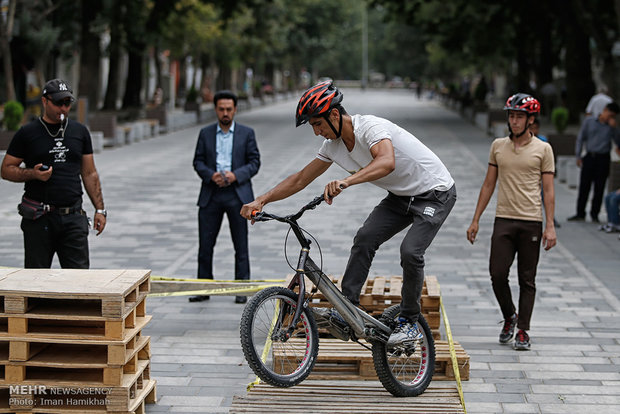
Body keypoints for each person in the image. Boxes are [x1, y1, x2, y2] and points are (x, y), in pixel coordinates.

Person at [240, 81, 456, 348]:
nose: (317, 132)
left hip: (435, 192)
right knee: (364, 238)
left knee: (410, 251)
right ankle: (347, 309)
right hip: (401, 197)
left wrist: (346, 181)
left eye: (317, 124)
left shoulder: (370, 127)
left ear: (333, 115)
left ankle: (410, 322)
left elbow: (387, 161)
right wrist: (261, 199)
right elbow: (300, 179)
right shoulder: (333, 146)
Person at [466, 93, 557, 350]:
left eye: (519, 117)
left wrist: (550, 226)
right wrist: (475, 220)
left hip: (531, 221)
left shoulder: (543, 149)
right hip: (503, 219)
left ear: (530, 120)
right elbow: (488, 184)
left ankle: (523, 330)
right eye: (511, 116)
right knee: (497, 274)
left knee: (527, 279)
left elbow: (548, 191)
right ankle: (509, 317)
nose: (514, 121)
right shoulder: (498, 146)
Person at [0, 79, 106, 268]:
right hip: (40, 218)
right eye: (58, 103)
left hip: (73, 216)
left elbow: (89, 173)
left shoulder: (79, 132)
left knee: (79, 281)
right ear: (44, 101)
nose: (63, 108)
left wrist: (100, 209)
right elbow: (6, 169)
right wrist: (32, 174)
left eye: (67, 103)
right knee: (37, 281)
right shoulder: (27, 133)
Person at [192, 90, 260, 304]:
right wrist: (210, 175)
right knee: (205, 244)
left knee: (240, 244)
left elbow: (254, 162)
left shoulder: (246, 133)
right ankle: (203, 287)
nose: (225, 113)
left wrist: (235, 175)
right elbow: (198, 161)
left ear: (235, 109)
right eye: (221, 109)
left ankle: (241, 288)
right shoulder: (205, 133)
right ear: (215, 109)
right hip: (211, 194)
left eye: (229, 109)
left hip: (237, 194)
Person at [568, 102, 620, 222]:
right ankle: (580, 213)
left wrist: (614, 128)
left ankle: (594, 213)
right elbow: (581, 138)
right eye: (610, 115)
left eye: (613, 116)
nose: (610, 118)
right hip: (590, 156)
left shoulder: (611, 127)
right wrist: (578, 155)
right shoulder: (589, 121)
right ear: (605, 110)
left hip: (603, 158)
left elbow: (618, 143)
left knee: (599, 187)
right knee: (584, 186)